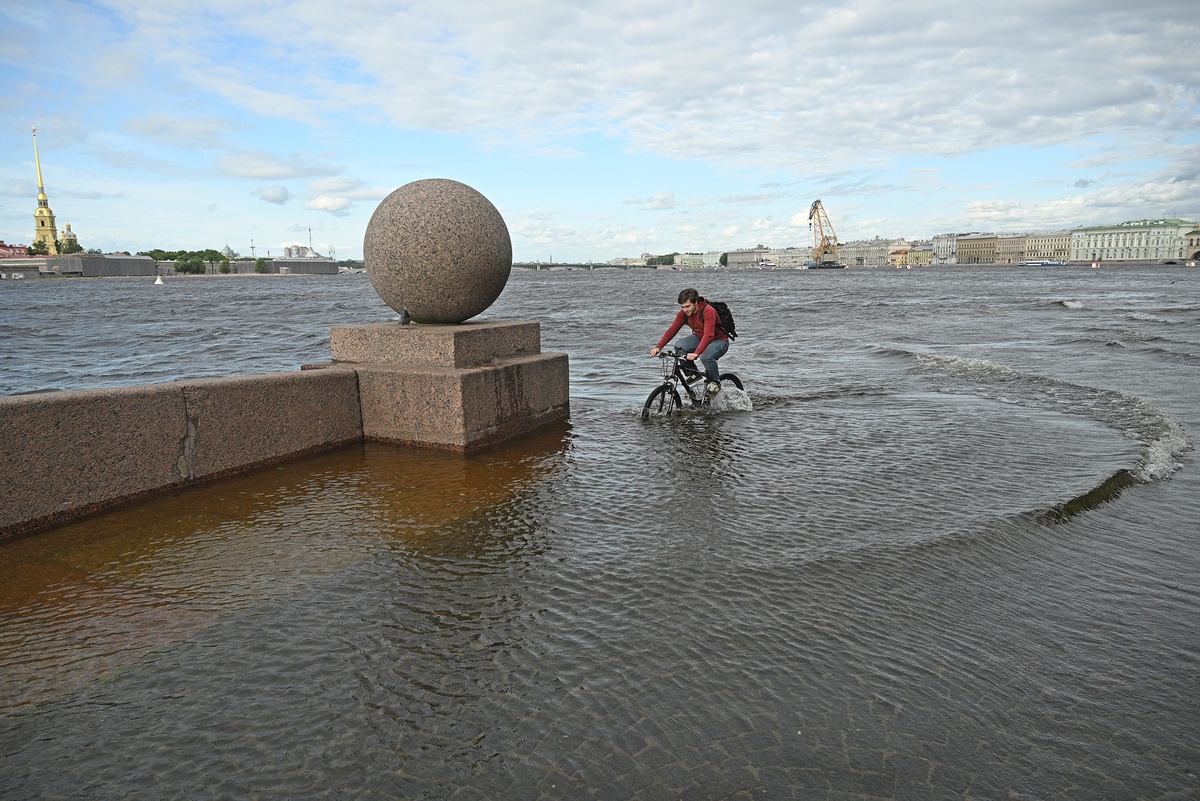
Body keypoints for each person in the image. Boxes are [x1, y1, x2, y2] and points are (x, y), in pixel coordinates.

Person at [649, 288, 730, 395]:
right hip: (699, 338)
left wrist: (696, 353)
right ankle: (693, 373)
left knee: (706, 357)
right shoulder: (683, 314)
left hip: (719, 340)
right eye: (682, 307)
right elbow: (672, 329)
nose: (685, 310)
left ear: (695, 302)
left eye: (687, 306)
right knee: (679, 346)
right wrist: (659, 347)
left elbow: (709, 335)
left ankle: (715, 382)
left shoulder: (708, 311)